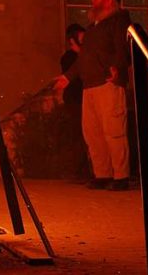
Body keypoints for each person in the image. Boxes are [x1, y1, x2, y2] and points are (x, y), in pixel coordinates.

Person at [55, 0, 132, 191]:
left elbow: (122, 47)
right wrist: (67, 77)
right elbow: (83, 58)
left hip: (108, 83)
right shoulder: (91, 29)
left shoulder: (119, 20)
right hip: (89, 86)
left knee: (113, 131)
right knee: (93, 133)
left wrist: (117, 68)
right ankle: (103, 174)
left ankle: (121, 176)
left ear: (109, 1)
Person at [59, 24, 89, 180]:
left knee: (83, 135)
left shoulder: (81, 55)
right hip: (75, 100)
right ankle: (77, 171)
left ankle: (82, 170)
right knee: (78, 135)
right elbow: (75, 76)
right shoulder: (69, 58)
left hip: (81, 99)